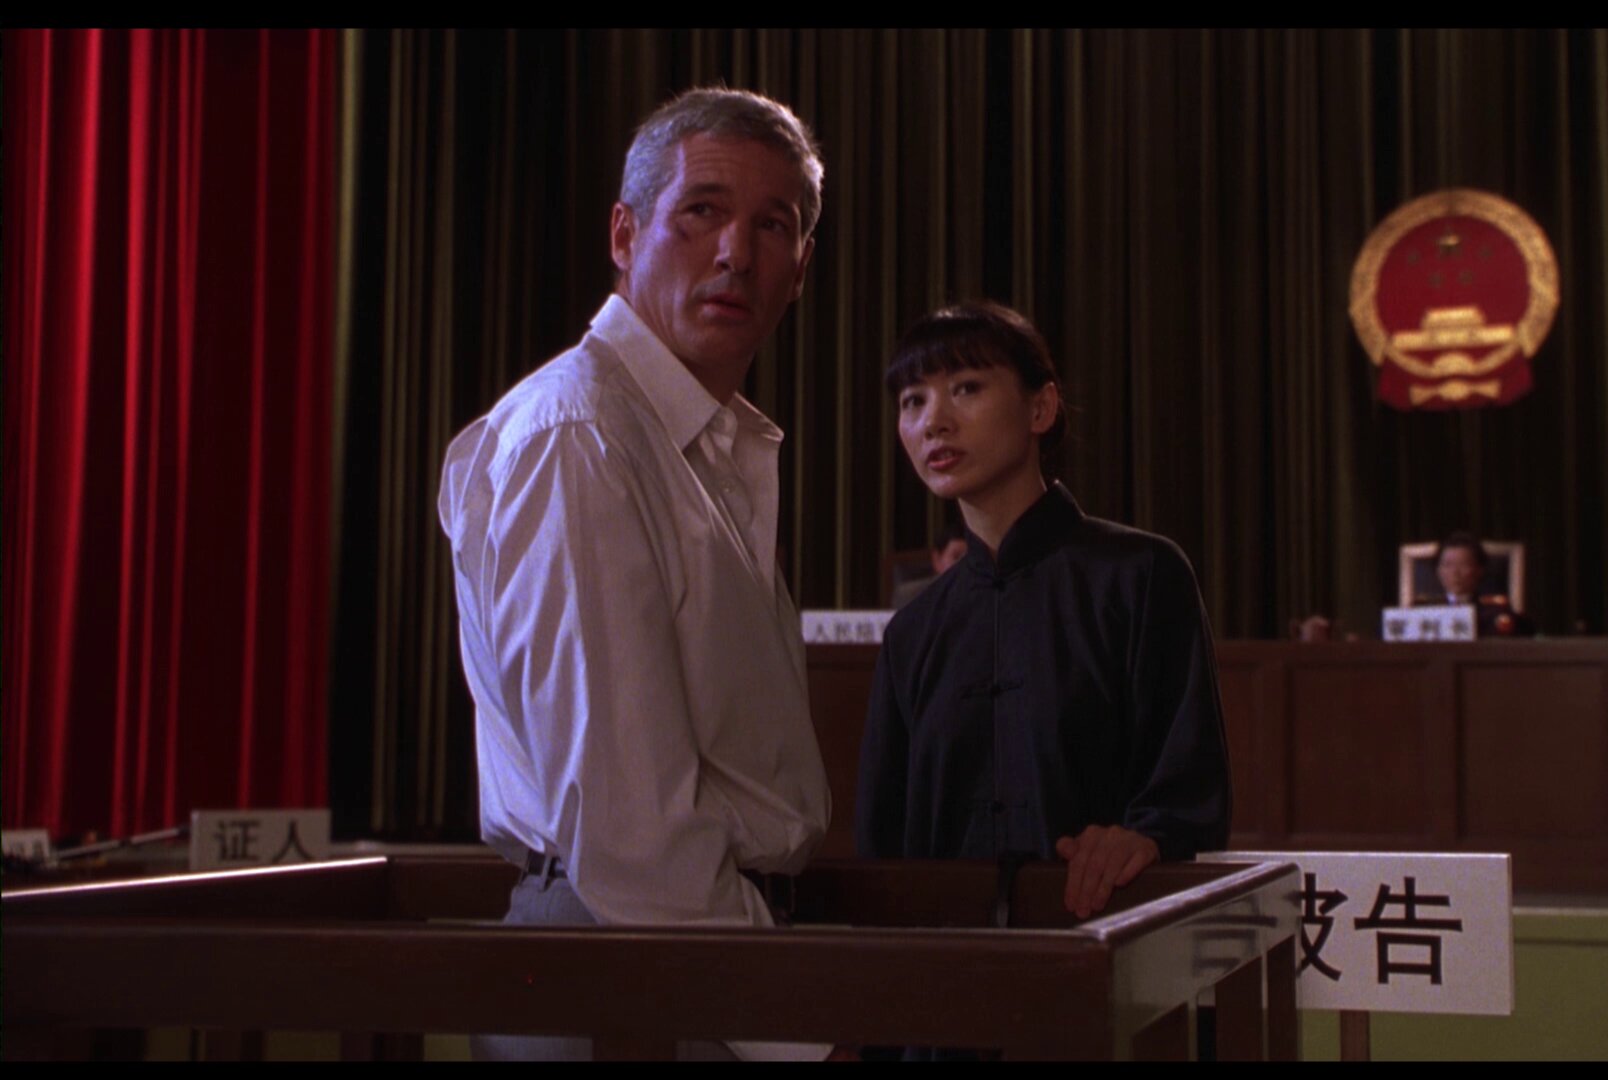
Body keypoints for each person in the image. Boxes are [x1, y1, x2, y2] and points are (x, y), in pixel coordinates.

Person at [438, 87, 831, 1061]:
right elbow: (630, 830)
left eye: (772, 225)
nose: (735, 253)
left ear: (801, 268)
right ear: (624, 233)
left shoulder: (699, 443)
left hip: (697, 957)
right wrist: (803, 1041)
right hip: (628, 961)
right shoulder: (581, 434)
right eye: (701, 211)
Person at [855, 302, 1232, 923]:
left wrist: (1142, 837)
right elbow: (883, 844)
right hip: (948, 956)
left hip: (1108, 938)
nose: (933, 422)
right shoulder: (912, 632)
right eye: (912, 401)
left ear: (1041, 408)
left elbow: (1187, 788)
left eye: (966, 388)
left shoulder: (1140, 575)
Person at [1416, 530, 1536, 638]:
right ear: (1438, 571)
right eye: (1447, 565)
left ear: (1479, 570)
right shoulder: (1422, 611)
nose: (1455, 573)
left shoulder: (1494, 613)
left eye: (1463, 565)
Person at [890, 517, 969, 609]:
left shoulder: (980, 594)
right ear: (937, 560)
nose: (964, 564)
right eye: (956, 556)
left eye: (969, 558)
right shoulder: (910, 595)